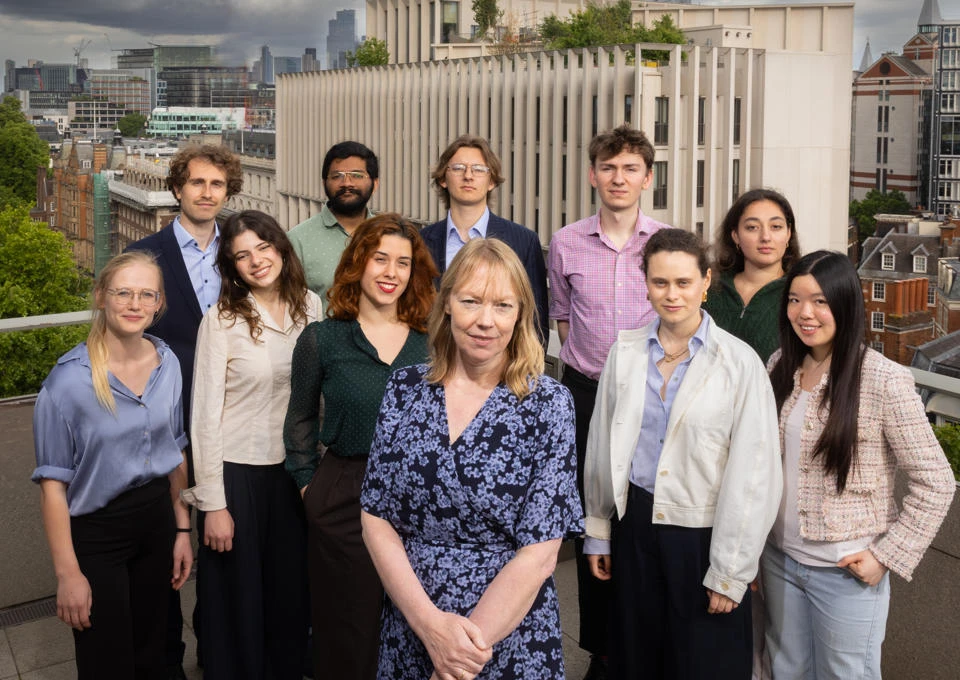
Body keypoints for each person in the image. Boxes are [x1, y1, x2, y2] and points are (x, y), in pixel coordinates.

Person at [361, 238, 584, 680]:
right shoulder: (405, 389)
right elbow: (376, 515)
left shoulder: (550, 404)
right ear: (446, 305)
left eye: (503, 305)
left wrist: (458, 657)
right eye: (471, 301)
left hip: (506, 635)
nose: (486, 321)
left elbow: (540, 553)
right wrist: (430, 628)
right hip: (413, 623)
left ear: (521, 313)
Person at [584, 228, 782, 680]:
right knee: (636, 658)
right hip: (633, 525)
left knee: (703, 662)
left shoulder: (740, 363)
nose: (671, 295)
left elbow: (755, 473)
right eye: (660, 283)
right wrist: (598, 527)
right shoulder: (625, 351)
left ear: (706, 281)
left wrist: (731, 570)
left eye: (683, 282)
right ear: (646, 283)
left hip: (702, 535)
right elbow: (601, 443)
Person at [763, 250, 956, 679]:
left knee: (845, 674)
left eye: (819, 301)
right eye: (794, 300)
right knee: (785, 670)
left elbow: (936, 481)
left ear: (845, 304)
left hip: (844, 571)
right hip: (779, 558)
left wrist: (886, 556)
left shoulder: (884, 379)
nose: (805, 313)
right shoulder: (779, 365)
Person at [284, 213, 437, 680]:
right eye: (381, 259)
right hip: (345, 492)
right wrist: (311, 487)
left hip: (420, 499)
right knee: (347, 630)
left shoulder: (432, 344)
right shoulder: (322, 339)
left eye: (404, 264)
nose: (392, 273)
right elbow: (300, 419)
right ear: (357, 263)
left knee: (417, 626)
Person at [32, 251, 192, 680]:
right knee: (107, 660)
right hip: (98, 535)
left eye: (146, 294)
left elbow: (175, 451)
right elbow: (52, 486)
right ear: (101, 296)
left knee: (159, 650)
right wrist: (68, 574)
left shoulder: (168, 364)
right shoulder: (67, 382)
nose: (134, 304)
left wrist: (182, 528)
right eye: (123, 292)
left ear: (159, 304)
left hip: (157, 520)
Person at [547, 123, 670, 680]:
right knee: (591, 513)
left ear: (647, 177)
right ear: (593, 174)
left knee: (643, 515)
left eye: (630, 169)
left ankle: (645, 638)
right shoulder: (566, 241)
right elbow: (564, 318)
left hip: (653, 394)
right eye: (608, 168)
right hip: (587, 391)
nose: (618, 178)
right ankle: (599, 646)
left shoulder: (667, 242)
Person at [183, 211, 319, 679]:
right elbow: (203, 417)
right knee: (236, 598)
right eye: (242, 255)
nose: (256, 260)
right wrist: (214, 504)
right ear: (232, 267)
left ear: (280, 247)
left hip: (295, 472)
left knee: (287, 592)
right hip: (237, 475)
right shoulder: (220, 320)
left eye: (263, 247)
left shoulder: (311, 306)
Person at [127, 143, 242, 679]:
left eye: (217, 185)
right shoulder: (146, 255)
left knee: (222, 543)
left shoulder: (241, 252)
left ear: (227, 191)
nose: (206, 193)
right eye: (196, 183)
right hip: (163, 422)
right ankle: (166, 659)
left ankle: (217, 649)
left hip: (228, 420)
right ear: (177, 189)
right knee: (163, 546)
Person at [420, 135, 549, 344]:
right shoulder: (420, 242)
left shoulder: (524, 242)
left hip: (502, 368)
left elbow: (534, 322)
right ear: (443, 178)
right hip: (432, 364)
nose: (468, 176)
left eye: (479, 169)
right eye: (459, 168)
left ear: (491, 181)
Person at [704, 188, 801, 362]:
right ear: (735, 235)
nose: (765, 237)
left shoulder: (799, 294)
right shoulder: (708, 288)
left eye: (776, 227)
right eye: (752, 227)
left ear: (788, 233)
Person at [287, 141, 379, 310]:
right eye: (337, 176)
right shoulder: (297, 240)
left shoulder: (387, 236)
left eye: (357, 175)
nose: (347, 183)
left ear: (375, 184)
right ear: (324, 183)